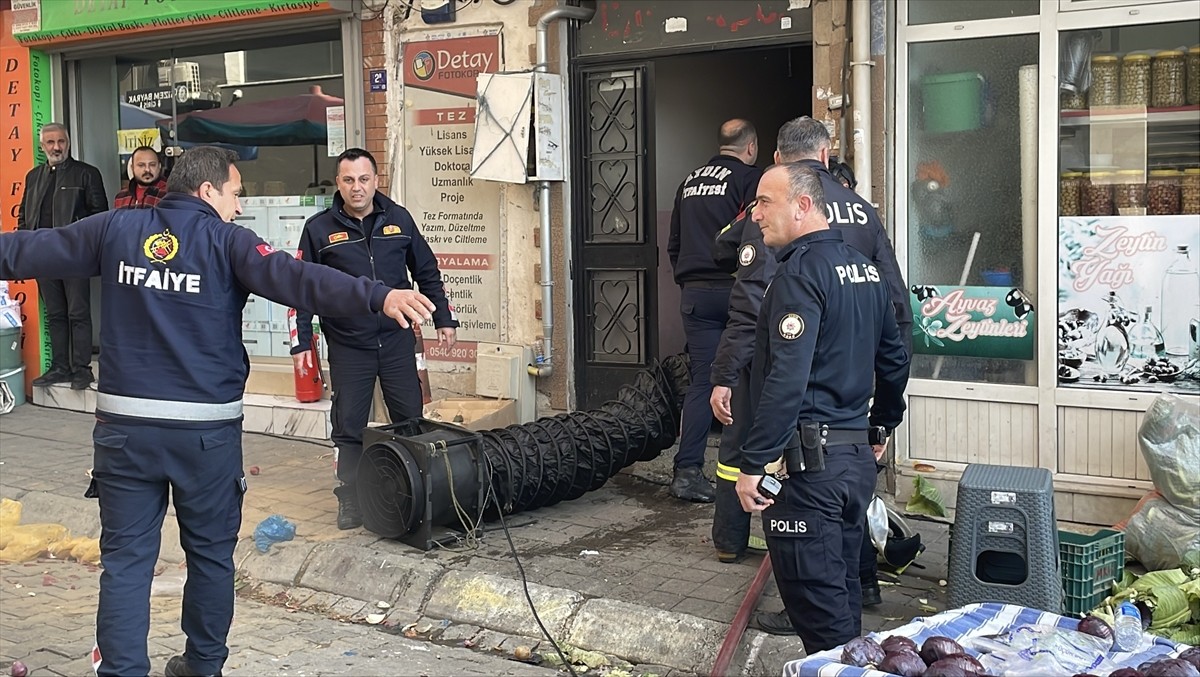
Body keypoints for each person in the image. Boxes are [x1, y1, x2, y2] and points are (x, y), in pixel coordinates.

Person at [0, 146, 439, 677]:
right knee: (209, 558)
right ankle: (203, 666)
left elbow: (25, 250)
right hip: (205, 440)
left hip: (125, 436)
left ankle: (121, 670)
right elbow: (296, 279)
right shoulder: (229, 241)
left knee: (126, 563)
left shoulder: (113, 229)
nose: (237, 206)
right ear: (207, 191)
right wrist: (378, 296)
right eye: (235, 193)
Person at [710, 117, 912, 624]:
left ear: (802, 203)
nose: (754, 215)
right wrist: (883, 422)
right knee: (844, 595)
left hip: (811, 468)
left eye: (762, 203)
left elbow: (786, 378)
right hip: (854, 463)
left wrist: (754, 463)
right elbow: (894, 354)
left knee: (822, 619)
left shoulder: (796, 275)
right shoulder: (862, 264)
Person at [290, 148, 458, 530]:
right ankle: (350, 499)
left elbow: (426, 271)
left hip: (397, 340)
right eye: (348, 180)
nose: (357, 188)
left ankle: (416, 493)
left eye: (363, 179)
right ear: (339, 183)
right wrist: (301, 343)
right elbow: (300, 288)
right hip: (349, 345)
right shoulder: (318, 229)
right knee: (349, 426)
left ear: (376, 180)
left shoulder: (399, 219)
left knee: (410, 420)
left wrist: (443, 318)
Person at [666, 119, 761, 503]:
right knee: (750, 379)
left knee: (704, 382)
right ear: (751, 146)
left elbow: (674, 242)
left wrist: (688, 281)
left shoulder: (688, 182)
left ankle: (687, 472)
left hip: (696, 294)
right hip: (737, 290)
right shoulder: (749, 179)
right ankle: (748, 472)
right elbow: (757, 233)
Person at [16, 122, 107, 390]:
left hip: (74, 255)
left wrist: (84, 245)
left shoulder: (86, 173)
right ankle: (59, 367)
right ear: (42, 145)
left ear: (69, 143)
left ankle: (81, 369)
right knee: (55, 313)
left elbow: (99, 214)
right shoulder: (33, 176)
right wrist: (26, 245)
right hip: (42, 255)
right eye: (51, 142)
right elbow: (24, 214)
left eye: (62, 142)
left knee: (78, 312)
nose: (57, 147)